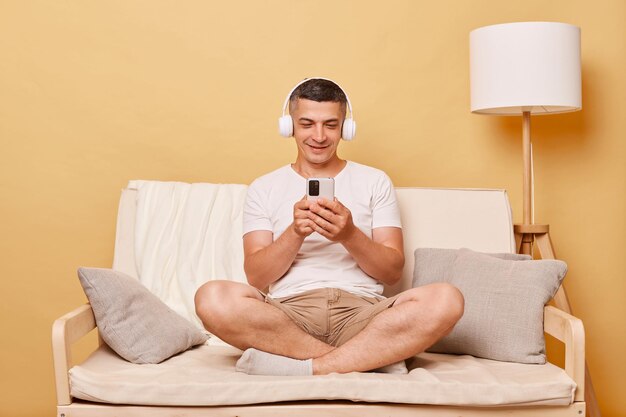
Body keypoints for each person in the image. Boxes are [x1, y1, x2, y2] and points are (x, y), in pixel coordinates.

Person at [194, 78, 464, 376]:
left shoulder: (375, 181)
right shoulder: (264, 187)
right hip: (288, 318)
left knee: (447, 299)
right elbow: (257, 277)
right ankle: (368, 360)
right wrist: (295, 233)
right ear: (289, 126)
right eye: (307, 124)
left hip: (364, 314)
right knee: (211, 297)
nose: (319, 136)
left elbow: (392, 272)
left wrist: (349, 235)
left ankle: (312, 367)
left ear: (346, 129)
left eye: (331, 125)